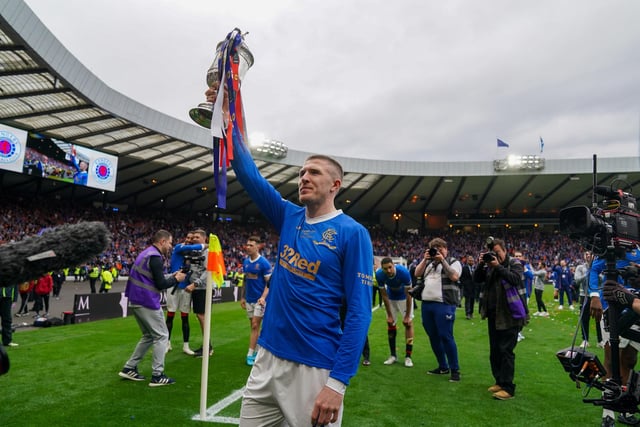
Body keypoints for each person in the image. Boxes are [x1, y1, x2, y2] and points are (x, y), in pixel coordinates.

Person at [208, 77, 373, 427]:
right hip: (267, 357)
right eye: (301, 173)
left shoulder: (353, 233)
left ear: (336, 185)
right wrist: (225, 116)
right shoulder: (289, 215)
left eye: (314, 172)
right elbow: (248, 172)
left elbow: (359, 312)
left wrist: (338, 383)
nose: (304, 178)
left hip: (313, 366)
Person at [118, 229, 186, 387]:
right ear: (162, 241)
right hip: (147, 300)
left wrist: (172, 275)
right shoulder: (155, 257)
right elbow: (161, 285)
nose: (171, 246)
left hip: (136, 300)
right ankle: (157, 375)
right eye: (169, 242)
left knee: (148, 336)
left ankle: (129, 367)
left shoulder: (147, 253)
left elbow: (156, 278)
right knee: (162, 336)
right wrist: (176, 279)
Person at [589, 249, 640, 427]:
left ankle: (625, 407)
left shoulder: (637, 250)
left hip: (635, 310)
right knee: (612, 361)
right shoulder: (610, 246)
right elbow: (594, 269)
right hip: (613, 308)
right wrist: (594, 295)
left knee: (630, 360)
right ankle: (608, 412)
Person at [473, 238, 528, 400]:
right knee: (495, 350)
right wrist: (481, 264)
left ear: (505, 251)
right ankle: (499, 381)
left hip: (511, 315)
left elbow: (516, 279)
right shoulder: (489, 266)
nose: (495, 256)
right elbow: (477, 279)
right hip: (493, 314)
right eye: (492, 254)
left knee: (506, 351)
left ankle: (508, 387)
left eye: (497, 253)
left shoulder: (515, 263)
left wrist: (497, 266)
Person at [414, 238, 462, 382]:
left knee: (446, 336)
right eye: (435, 249)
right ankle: (442, 366)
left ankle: (455, 370)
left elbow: (454, 276)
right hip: (427, 304)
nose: (438, 251)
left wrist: (443, 261)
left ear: (446, 249)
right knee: (433, 336)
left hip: (444, 303)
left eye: (441, 248)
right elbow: (417, 273)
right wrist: (425, 259)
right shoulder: (428, 263)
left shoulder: (454, 262)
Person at [166, 231, 206, 356]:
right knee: (170, 315)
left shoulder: (192, 254)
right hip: (173, 285)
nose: (190, 239)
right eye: (188, 237)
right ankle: (167, 343)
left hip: (186, 288)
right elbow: (194, 246)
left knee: (185, 317)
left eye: (192, 238)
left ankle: (186, 346)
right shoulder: (179, 247)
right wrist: (206, 245)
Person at [376, 257, 415, 368]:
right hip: (391, 298)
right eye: (385, 269)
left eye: (390, 267)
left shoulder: (403, 272)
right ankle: (393, 355)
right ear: (382, 268)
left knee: (408, 324)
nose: (388, 271)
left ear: (393, 265)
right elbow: (384, 295)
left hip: (404, 298)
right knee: (390, 323)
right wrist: (389, 315)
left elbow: (409, 294)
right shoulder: (379, 274)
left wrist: (407, 316)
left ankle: (408, 357)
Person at [239, 235, 272, 366]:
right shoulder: (246, 262)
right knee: (254, 326)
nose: (248, 247)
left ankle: (250, 353)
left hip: (260, 300)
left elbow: (268, 283)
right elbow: (245, 280)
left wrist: (263, 298)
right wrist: (242, 296)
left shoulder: (264, 263)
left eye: (251, 245)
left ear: (258, 247)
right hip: (249, 299)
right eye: (247, 245)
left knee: (255, 325)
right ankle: (257, 350)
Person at [183, 229, 212, 358]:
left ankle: (208, 347)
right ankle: (207, 345)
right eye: (193, 237)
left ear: (204, 239)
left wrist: (195, 284)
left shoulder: (207, 252)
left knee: (202, 316)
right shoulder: (195, 252)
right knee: (200, 316)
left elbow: (208, 271)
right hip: (196, 288)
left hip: (202, 288)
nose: (194, 239)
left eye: (197, 237)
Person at [574, 250, 602, 348]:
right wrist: (587, 273)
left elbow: (603, 278)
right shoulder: (580, 267)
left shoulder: (599, 266)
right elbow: (577, 280)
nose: (588, 255)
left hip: (597, 296)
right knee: (584, 318)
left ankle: (600, 340)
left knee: (599, 318)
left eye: (590, 254)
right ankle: (585, 340)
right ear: (584, 256)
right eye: (586, 254)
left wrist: (595, 273)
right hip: (584, 295)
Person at [460, 254, 477, 320]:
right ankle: (467, 314)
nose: (471, 261)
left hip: (473, 287)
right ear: (467, 261)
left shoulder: (475, 268)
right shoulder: (464, 268)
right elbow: (462, 277)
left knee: (472, 300)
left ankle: (471, 313)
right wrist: (464, 284)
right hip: (467, 287)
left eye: (472, 260)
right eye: (470, 260)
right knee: (467, 301)